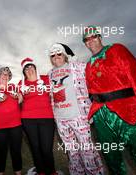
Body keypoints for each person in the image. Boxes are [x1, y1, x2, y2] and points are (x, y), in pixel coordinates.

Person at [83, 25, 136, 174]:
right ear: (85, 43)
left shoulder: (116, 49)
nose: (90, 41)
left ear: (100, 37)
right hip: (101, 115)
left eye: (93, 37)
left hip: (127, 109)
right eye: (86, 39)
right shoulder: (88, 65)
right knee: (111, 157)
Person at [48, 43, 104, 175]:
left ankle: (95, 173)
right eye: (53, 55)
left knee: (87, 150)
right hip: (61, 118)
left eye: (59, 53)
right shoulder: (50, 73)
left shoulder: (77, 67)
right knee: (72, 151)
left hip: (78, 116)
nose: (56, 56)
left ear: (65, 55)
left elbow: (96, 71)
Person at [19, 58, 57, 175]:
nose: (29, 70)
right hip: (28, 119)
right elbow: (18, 99)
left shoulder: (46, 78)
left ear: (36, 68)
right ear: (24, 72)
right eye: (26, 68)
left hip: (46, 117)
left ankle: (51, 171)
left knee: (46, 148)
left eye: (31, 67)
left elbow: (55, 92)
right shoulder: (22, 84)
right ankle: (40, 171)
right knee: (35, 147)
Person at [0, 67, 23, 175]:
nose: (5, 76)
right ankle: (0, 173)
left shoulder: (13, 87)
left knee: (16, 150)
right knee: (1, 151)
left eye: (7, 74)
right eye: (2, 74)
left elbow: (20, 98)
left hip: (15, 124)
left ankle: (18, 173)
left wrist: (19, 96)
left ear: (9, 77)